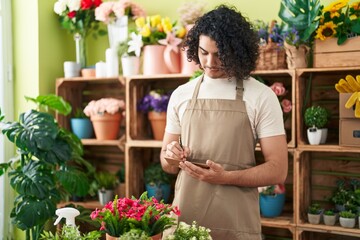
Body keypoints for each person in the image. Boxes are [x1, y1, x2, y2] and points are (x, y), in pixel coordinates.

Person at [160, 4, 288, 240]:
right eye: (203, 52)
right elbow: (167, 165)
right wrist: (172, 155)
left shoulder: (260, 96)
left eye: (220, 54)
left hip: (236, 223)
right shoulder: (181, 95)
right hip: (186, 221)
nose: (209, 62)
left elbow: (278, 170)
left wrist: (225, 178)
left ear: (237, 52)